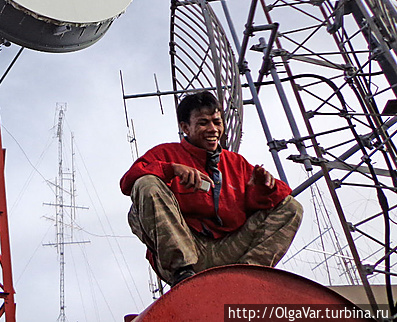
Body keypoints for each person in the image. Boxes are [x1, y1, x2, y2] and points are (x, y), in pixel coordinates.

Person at [120, 90, 302, 286]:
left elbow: (277, 199)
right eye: (203, 123)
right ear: (185, 127)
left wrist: (267, 188)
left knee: (291, 207)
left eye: (217, 122)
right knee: (146, 183)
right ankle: (184, 274)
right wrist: (171, 169)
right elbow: (128, 181)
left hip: (229, 250)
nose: (213, 129)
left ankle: (246, 280)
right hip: (188, 249)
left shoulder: (235, 162)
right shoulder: (166, 153)